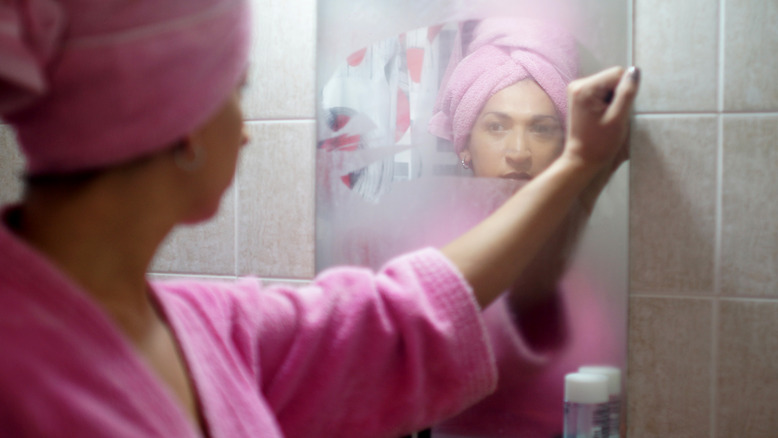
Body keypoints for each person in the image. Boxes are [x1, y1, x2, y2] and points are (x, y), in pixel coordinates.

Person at [0, 1, 639, 437]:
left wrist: (578, 161)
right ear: (184, 125)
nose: (246, 132)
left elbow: (398, 320)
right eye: (236, 92)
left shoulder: (206, 328)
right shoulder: (21, 368)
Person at [428, 18, 628, 437]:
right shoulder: (441, 241)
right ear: (464, 143)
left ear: (562, 143)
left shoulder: (596, 244)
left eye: (541, 128)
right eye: (497, 126)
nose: (518, 152)